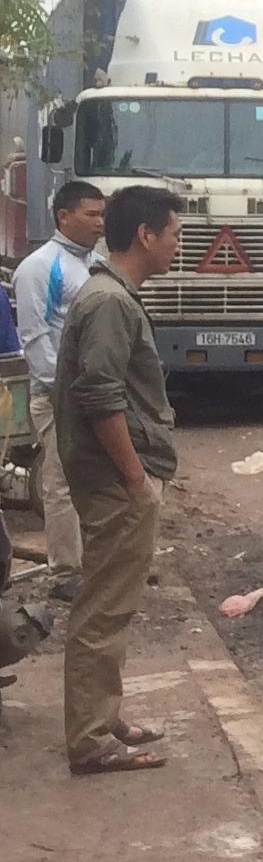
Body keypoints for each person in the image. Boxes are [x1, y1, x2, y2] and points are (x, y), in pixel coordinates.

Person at [55, 185, 181, 774]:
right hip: (114, 481)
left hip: (115, 477)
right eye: (174, 234)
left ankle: (104, 717)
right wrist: (135, 480)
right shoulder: (110, 302)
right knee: (104, 608)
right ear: (145, 236)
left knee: (113, 604)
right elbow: (99, 395)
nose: (179, 246)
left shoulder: (113, 295)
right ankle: (89, 740)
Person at [14, 179, 107, 600]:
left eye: (102, 214)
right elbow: (34, 338)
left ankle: (98, 565)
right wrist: (64, 392)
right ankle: (66, 573)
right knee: (62, 482)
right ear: (63, 216)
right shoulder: (39, 267)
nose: (99, 223)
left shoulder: (95, 263)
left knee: (99, 481)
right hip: (57, 398)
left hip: (96, 395)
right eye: (91, 215)